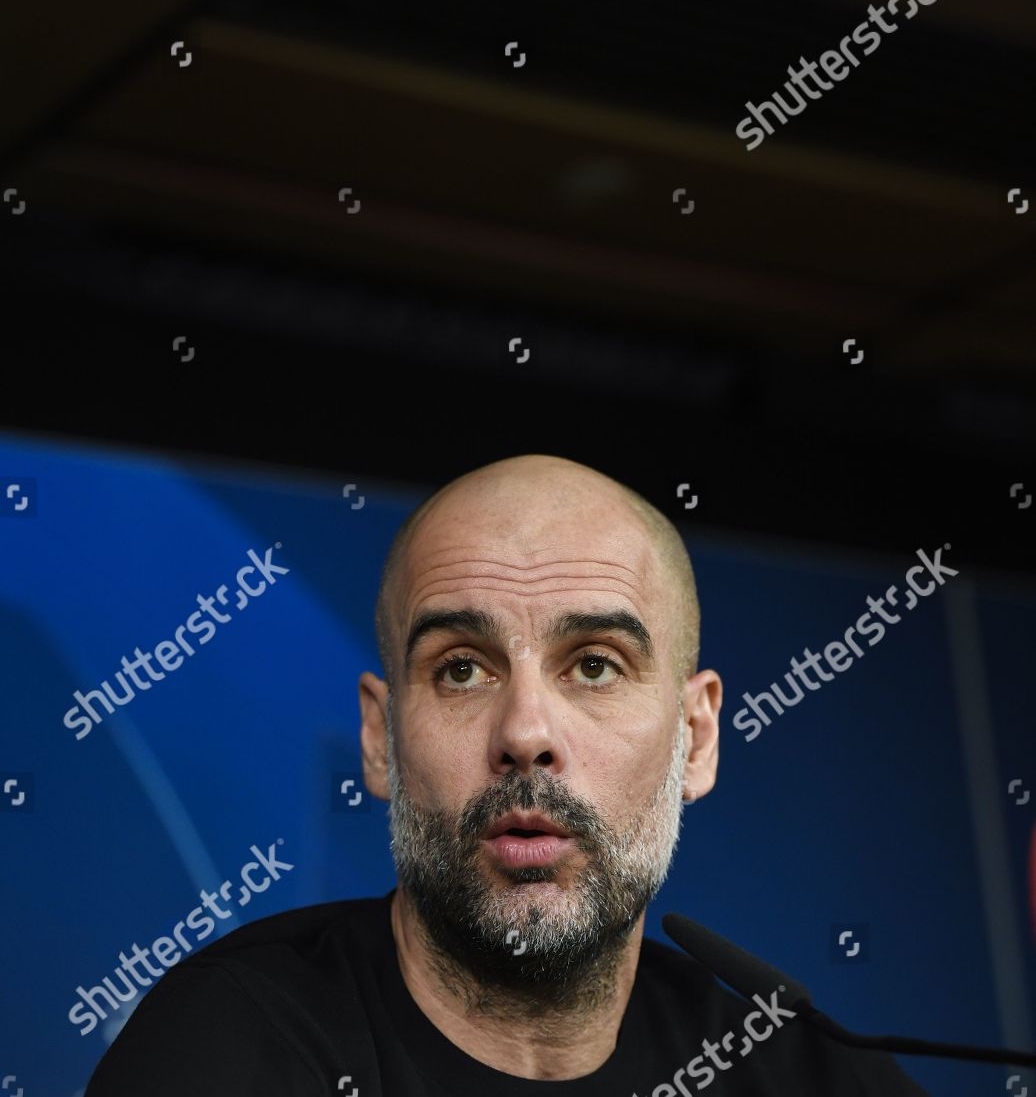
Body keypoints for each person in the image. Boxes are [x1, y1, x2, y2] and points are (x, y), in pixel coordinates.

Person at [86, 453, 927, 1095]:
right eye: (461, 669)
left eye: (595, 665)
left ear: (696, 740)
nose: (525, 733)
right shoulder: (232, 1047)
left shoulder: (811, 1078)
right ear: (380, 739)